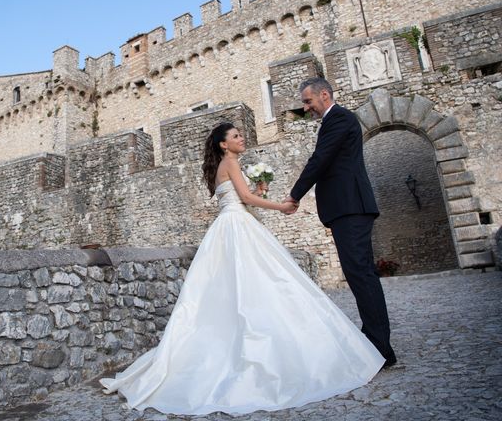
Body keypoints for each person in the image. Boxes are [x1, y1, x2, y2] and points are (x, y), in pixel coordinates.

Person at [100, 122, 385, 416]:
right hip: (237, 226)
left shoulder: (227, 163)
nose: (241, 138)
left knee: (247, 287)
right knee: (261, 284)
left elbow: (244, 195)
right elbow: (246, 200)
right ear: (224, 144)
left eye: (240, 134)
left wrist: (258, 187)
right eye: (235, 136)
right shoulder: (231, 161)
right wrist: (281, 206)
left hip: (233, 224)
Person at [284, 77, 397, 367]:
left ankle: (379, 348)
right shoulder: (336, 120)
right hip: (346, 208)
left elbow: (320, 160)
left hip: (350, 207)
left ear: (324, 95)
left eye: (308, 101)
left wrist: (294, 195)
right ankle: (374, 340)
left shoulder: (339, 119)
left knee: (360, 274)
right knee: (360, 273)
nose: (306, 108)